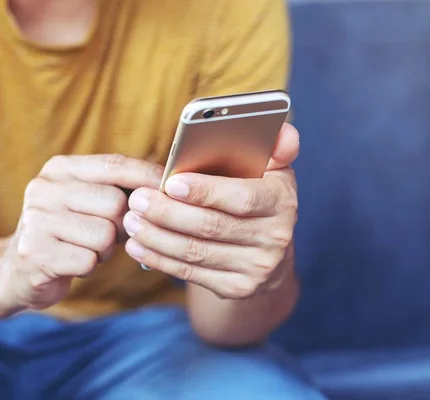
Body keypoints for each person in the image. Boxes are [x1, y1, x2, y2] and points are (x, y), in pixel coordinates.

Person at [0, 0, 325, 398]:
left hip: (142, 336)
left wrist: (261, 268)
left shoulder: (229, 9)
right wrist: (8, 271)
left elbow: (223, 326)